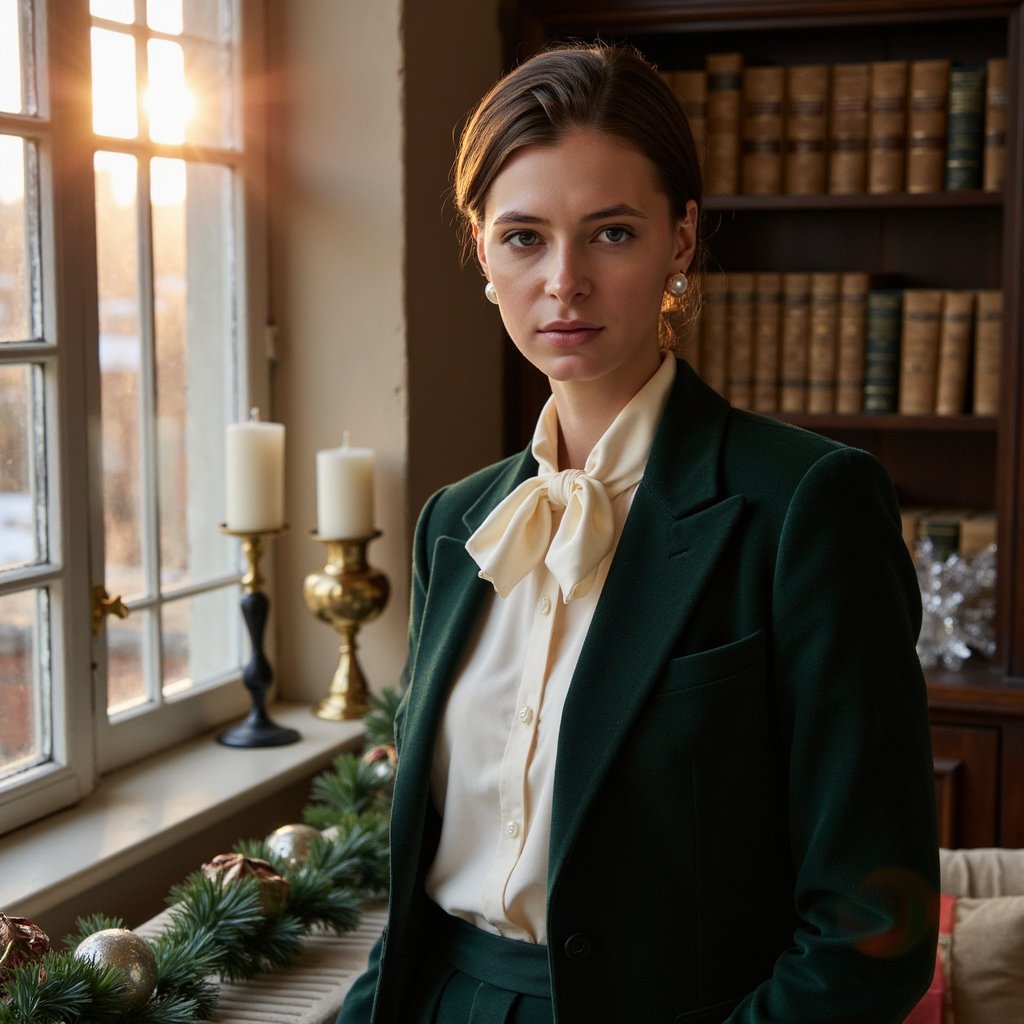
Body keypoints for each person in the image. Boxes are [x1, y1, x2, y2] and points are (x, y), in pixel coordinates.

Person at [339, 42, 939, 1024]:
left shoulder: (805, 506)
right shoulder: (457, 523)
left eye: (610, 233)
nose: (563, 282)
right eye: (523, 237)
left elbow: (875, 924)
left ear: (682, 241)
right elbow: (421, 891)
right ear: (482, 253)